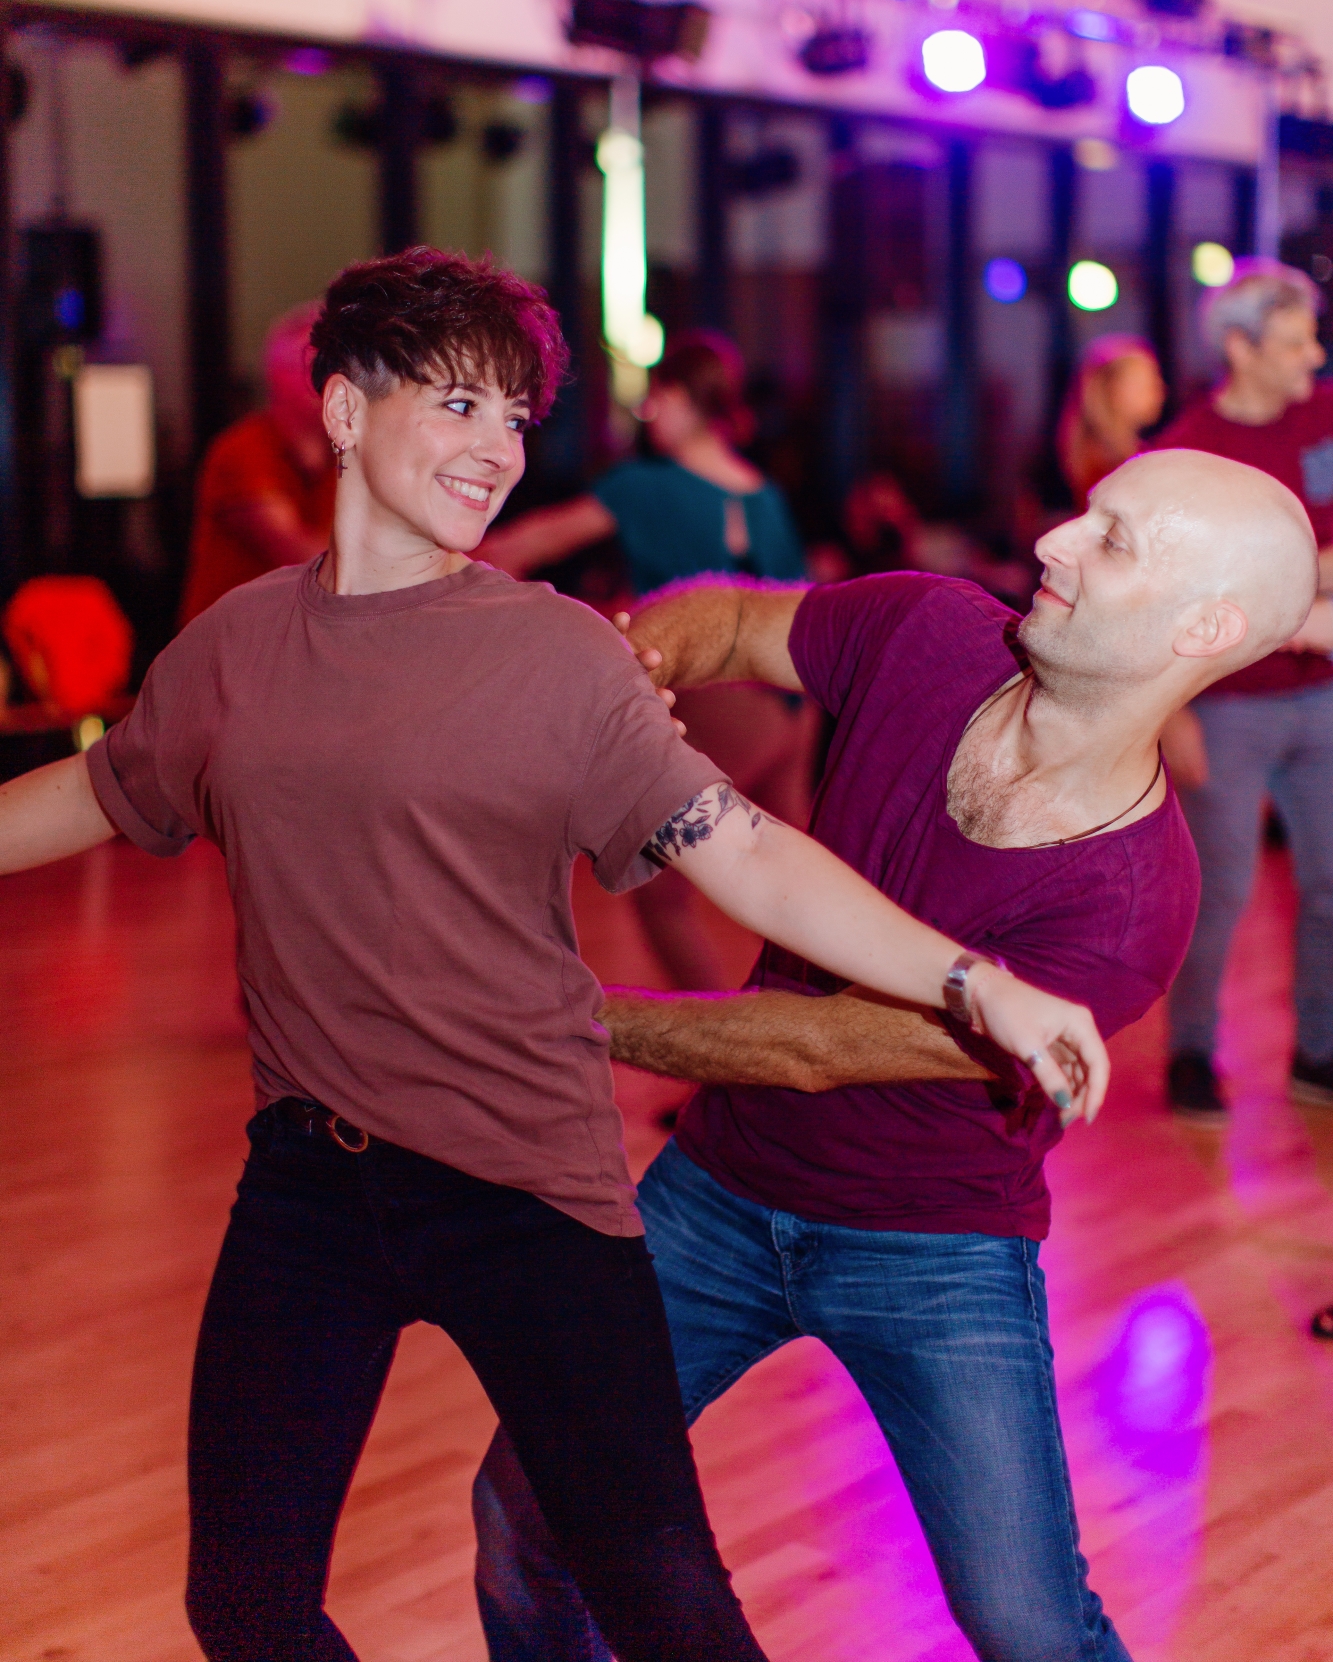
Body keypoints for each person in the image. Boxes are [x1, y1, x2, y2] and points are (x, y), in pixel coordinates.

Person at [0, 247, 1108, 1662]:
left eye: (516, 416)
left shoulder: (557, 656)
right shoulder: (234, 647)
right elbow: (101, 790)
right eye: (459, 404)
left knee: (665, 1604)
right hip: (309, 1183)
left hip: (521, 1187)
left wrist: (971, 978)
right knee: (246, 1601)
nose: (498, 448)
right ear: (343, 409)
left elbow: (751, 855)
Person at [472, 447, 1318, 1662]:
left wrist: (553, 1016)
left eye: (1112, 539)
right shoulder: (931, 630)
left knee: (1028, 1624)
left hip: (932, 1251)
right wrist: (627, 679)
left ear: (1205, 627)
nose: (1053, 541)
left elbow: (816, 1043)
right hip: (716, 1190)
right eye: (1084, 513)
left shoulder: (1135, 897)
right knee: (527, 1510)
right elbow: (731, 620)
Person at [485, 330, 816, 988]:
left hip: (722, 702)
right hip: (793, 708)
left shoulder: (646, 485)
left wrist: (447, 568)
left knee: (659, 891)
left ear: (689, 402)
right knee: (796, 887)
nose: (649, 415)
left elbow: (532, 542)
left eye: (658, 399)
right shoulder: (764, 494)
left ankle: (719, 1047)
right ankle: (821, 1021)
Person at [1152, 260, 1333, 1120]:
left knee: (1329, 884)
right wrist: (1171, 710)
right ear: (1239, 347)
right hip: (1223, 706)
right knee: (1218, 890)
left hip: (1322, 695)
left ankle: (1319, 1052)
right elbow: (1163, 598)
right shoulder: (1187, 452)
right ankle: (1189, 1053)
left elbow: (1244, 582)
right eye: (1295, 342)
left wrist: (1274, 584)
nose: (1314, 357)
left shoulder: (1324, 418)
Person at [179, 299, 336, 623]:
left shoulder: (342, 453)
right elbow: (303, 556)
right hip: (229, 643)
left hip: (293, 637)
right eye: (321, 366)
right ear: (279, 376)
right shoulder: (243, 450)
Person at [1056, 333, 1167, 510]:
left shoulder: (1133, 451)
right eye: (1143, 384)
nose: (1158, 390)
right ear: (1111, 390)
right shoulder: (1102, 466)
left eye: (1156, 380)